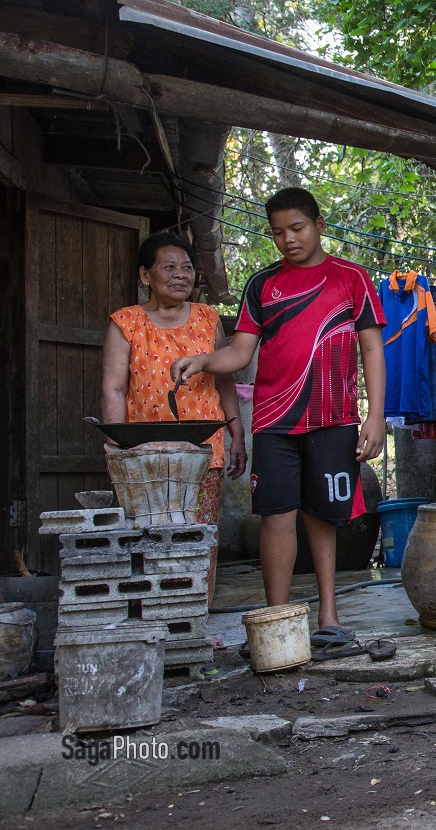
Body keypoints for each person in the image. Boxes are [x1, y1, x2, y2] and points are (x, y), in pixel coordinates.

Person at [171, 187, 386, 650]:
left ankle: (328, 616)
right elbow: (240, 351)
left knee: (323, 516)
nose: (288, 239)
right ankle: (276, 619)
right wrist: (204, 360)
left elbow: (371, 348)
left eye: (297, 228)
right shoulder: (262, 285)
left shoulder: (352, 278)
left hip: (333, 416)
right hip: (274, 420)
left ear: (319, 226)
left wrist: (375, 416)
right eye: (277, 232)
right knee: (275, 515)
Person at [101, 231, 247, 603]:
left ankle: (197, 612)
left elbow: (224, 380)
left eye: (186, 268)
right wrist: (117, 448)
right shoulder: (126, 322)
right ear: (145, 275)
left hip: (203, 455)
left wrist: (237, 434)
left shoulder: (207, 318)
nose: (181, 275)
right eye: (169, 267)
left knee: (200, 536)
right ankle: (154, 612)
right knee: (148, 536)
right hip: (143, 458)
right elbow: (114, 389)